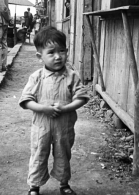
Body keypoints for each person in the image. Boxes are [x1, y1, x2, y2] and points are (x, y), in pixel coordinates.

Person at [19, 26, 89, 195]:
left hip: (64, 127)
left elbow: (81, 98)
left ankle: (64, 184)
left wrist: (65, 108)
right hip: (41, 127)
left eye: (62, 51)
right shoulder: (36, 77)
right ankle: (34, 186)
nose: (58, 56)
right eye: (51, 52)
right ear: (40, 56)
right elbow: (26, 100)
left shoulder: (72, 76)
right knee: (38, 154)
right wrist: (43, 109)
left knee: (63, 155)